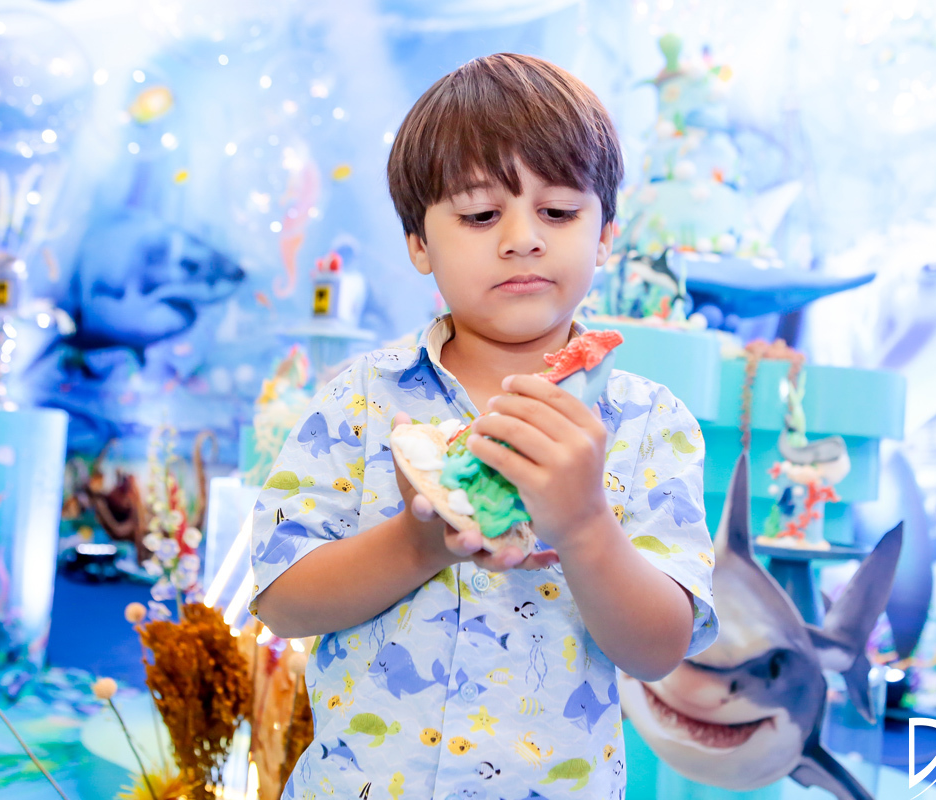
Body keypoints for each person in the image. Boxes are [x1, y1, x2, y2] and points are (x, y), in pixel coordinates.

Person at [250, 52, 718, 800]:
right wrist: (419, 542)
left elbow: (659, 650)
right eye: (479, 215)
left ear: (605, 234)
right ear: (419, 243)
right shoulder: (362, 398)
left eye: (558, 212)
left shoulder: (648, 424)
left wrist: (586, 526)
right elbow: (282, 600)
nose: (522, 238)